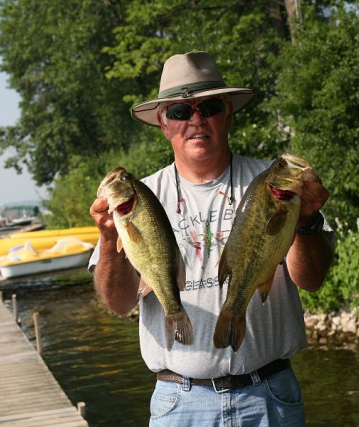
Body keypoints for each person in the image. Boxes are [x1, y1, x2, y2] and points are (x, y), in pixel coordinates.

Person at [89, 51, 334, 426]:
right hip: (179, 402)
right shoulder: (142, 197)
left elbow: (312, 280)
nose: (196, 120)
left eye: (210, 107)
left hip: (269, 396)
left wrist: (306, 222)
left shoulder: (274, 184)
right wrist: (109, 242)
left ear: (229, 114)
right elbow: (119, 302)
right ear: (163, 123)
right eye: (180, 112)